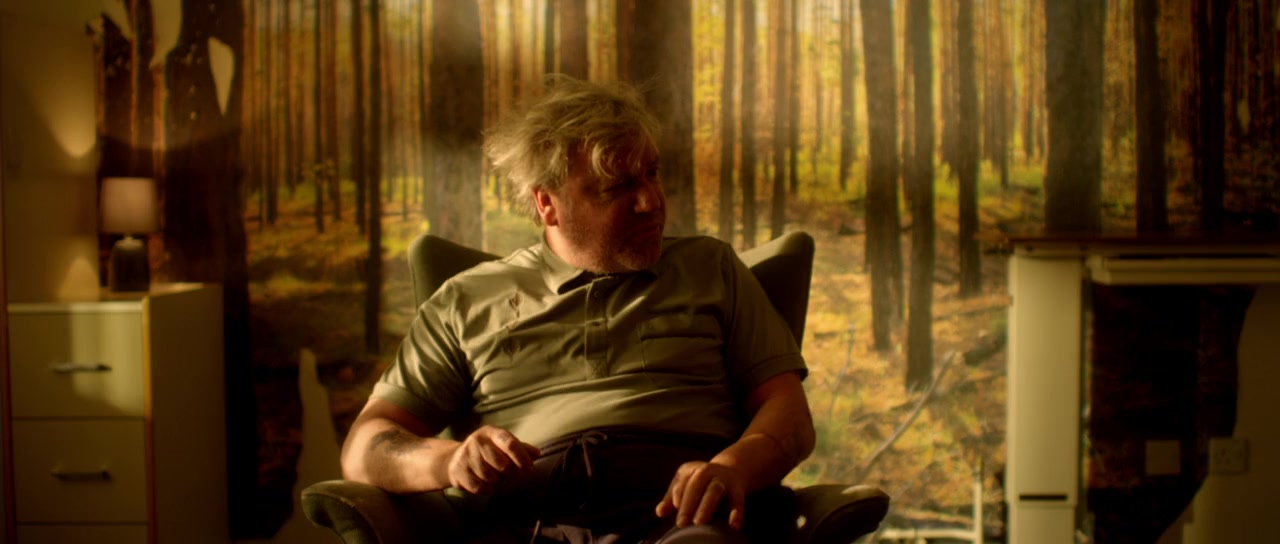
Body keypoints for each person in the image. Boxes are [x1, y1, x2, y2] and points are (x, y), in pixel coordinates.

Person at [340, 75, 816, 544]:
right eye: (616, 187)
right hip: (527, 524)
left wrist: (731, 468)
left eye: (652, 173)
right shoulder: (465, 300)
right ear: (547, 202)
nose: (651, 201)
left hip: (687, 517)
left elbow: (789, 414)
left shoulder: (711, 267)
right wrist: (450, 460)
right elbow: (365, 446)